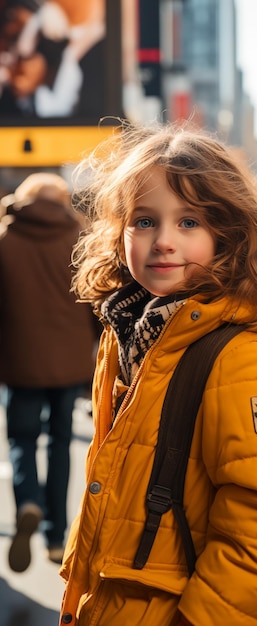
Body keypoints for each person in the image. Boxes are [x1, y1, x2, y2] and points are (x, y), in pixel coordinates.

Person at [59, 121, 257, 626]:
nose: (163, 242)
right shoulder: (130, 331)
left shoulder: (242, 355)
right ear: (118, 231)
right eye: (143, 221)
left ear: (228, 235)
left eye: (189, 223)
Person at [0, 172, 99, 573]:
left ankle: (28, 501)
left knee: (22, 438)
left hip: (20, 361)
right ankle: (57, 537)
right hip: (71, 361)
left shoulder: (4, 240)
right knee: (61, 445)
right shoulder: (80, 241)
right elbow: (97, 302)